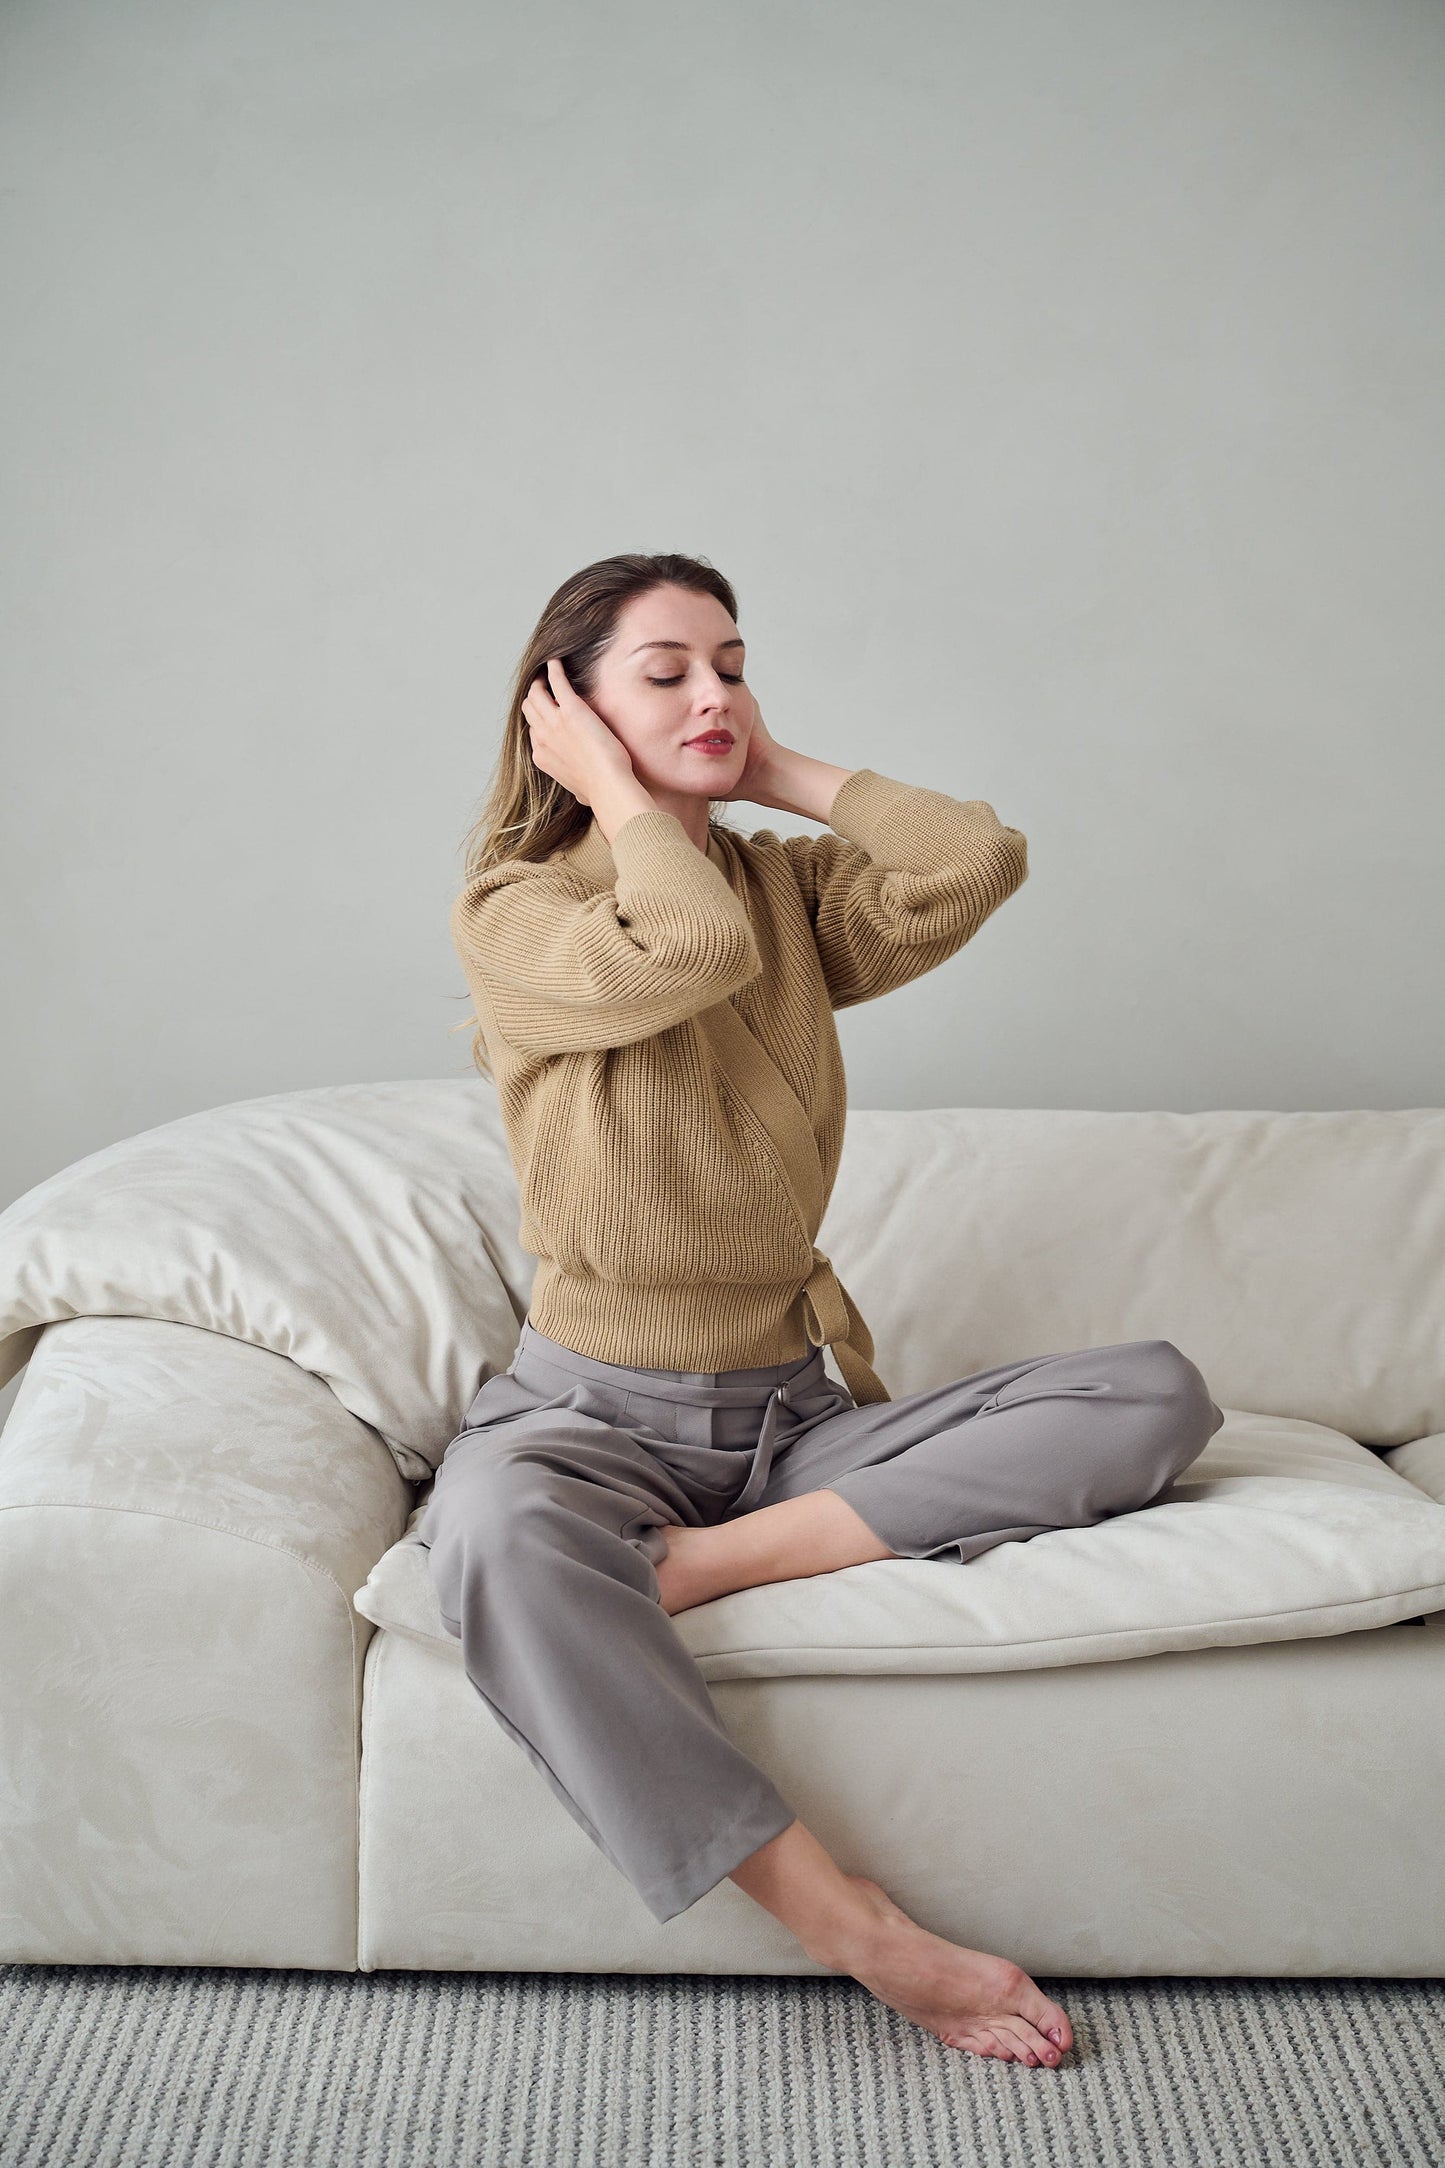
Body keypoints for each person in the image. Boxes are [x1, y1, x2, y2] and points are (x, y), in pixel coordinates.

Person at [422, 551, 1224, 2071]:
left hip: (794, 1420)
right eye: (663, 673)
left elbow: (974, 858)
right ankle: (852, 1928)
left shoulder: (775, 887)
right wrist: (620, 796)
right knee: (492, 1538)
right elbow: (690, 950)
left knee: (1155, 1393)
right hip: (589, 1419)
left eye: (731, 662)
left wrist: (767, 764)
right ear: (565, 709)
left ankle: (696, 1570)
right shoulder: (516, 915)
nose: (711, 690)